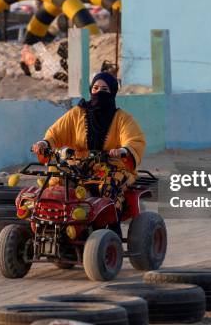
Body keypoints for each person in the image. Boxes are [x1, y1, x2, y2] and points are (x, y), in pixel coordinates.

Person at [32, 72, 146, 234]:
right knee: (58, 180)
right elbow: (55, 133)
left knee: (108, 188)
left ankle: (111, 230)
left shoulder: (123, 119)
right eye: (95, 88)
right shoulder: (77, 113)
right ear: (90, 90)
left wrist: (122, 151)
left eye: (105, 89)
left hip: (112, 166)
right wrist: (44, 143)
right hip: (79, 164)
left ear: (113, 92)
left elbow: (134, 140)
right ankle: (55, 224)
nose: (99, 92)